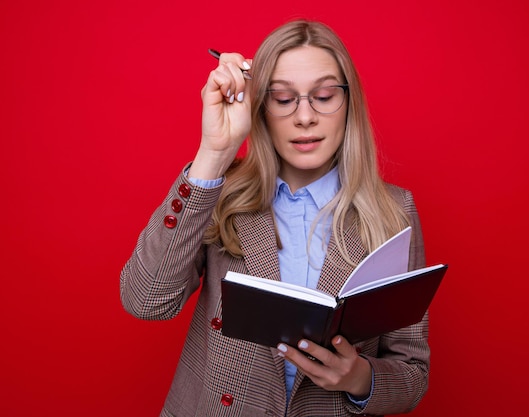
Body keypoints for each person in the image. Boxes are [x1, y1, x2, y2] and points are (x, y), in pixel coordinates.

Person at [120, 19, 429, 417]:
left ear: (349, 102)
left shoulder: (394, 211)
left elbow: (413, 374)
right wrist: (213, 153)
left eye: (323, 95)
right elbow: (146, 300)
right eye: (283, 99)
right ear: (260, 106)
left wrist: (358, 378)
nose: (304, 117)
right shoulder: (220, 192)